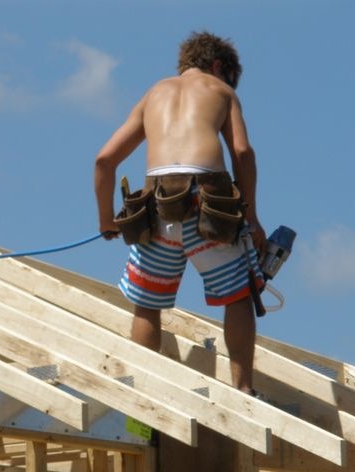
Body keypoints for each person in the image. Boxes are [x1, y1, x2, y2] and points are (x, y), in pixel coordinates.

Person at [93, 31, 266, 395]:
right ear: (218, 66)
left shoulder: (153, 94)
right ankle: (244, 389)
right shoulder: (222, 92)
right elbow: (243, 152)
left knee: (147, 303)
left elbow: (104, 160)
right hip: (208, 205)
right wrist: (250, 216)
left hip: (157, 208)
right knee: (237, 295)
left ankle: (140, 389)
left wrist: (106, 219)